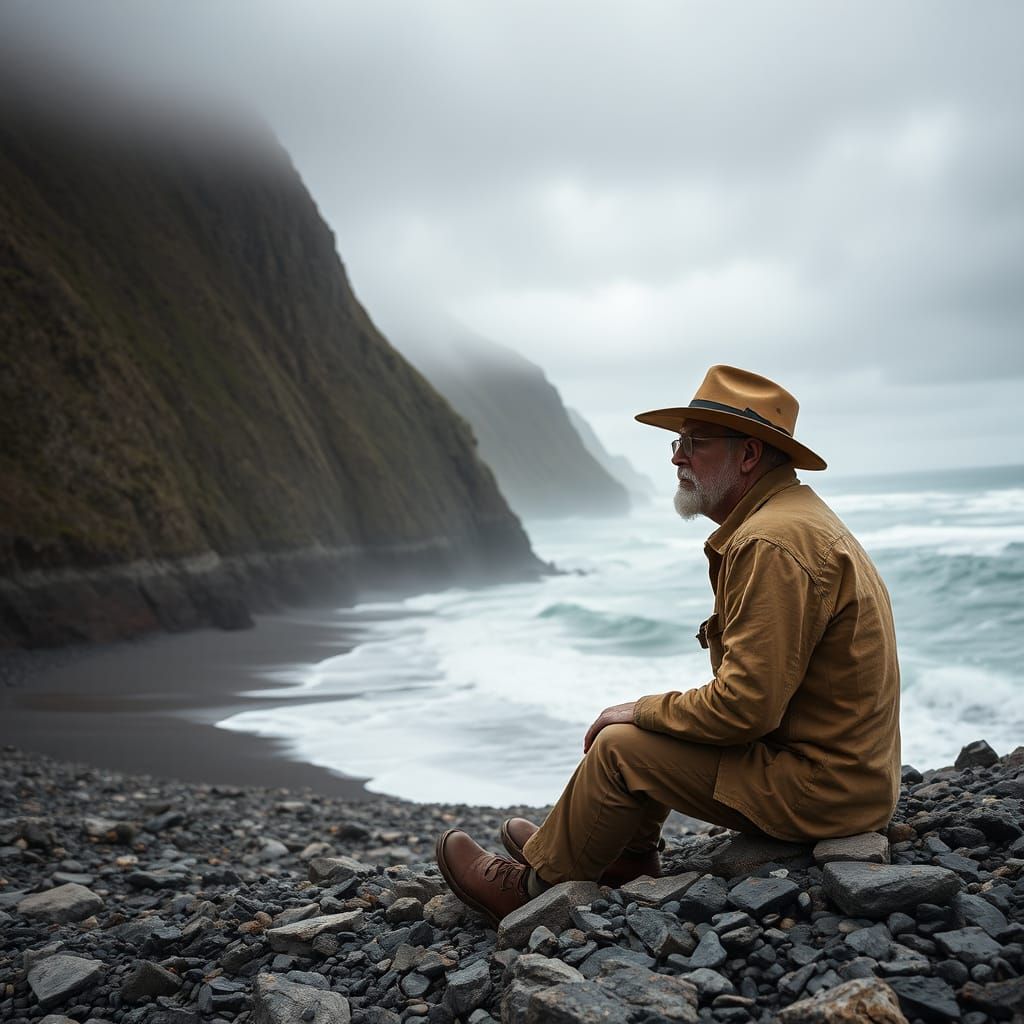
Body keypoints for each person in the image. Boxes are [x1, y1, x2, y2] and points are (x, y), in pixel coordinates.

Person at [435, 365, 901, 927]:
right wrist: (651, 714)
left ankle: (535, 886)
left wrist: (640, 710)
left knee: (619, 747)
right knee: (642, 730)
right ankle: (615, 857)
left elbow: (744, 708)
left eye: (694, 443)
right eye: (677, 442)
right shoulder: (789, 521)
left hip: (825, 790)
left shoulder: (772, 542)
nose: (676, 457)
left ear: (749, 455)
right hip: (845, 775)